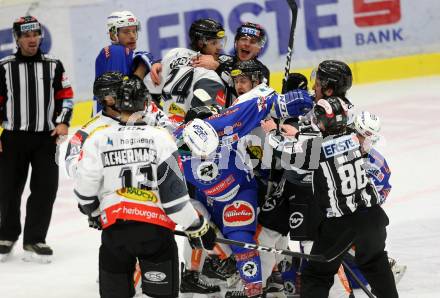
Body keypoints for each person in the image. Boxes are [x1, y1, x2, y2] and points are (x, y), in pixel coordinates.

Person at [73, 77, 216, 298]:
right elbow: (174, 201)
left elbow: (85, 188)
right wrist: (196, 226)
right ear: (145, 103)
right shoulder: (161, 138)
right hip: (155, 234)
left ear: (117, 103)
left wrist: (93, 212)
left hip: (115, 234)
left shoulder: (98, 138)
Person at [175, 79, 313, 297]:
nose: (206, 156)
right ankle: (205, 270)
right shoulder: (172, 147)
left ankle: (254, 288)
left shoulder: (222, 124)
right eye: (201, 153)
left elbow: (256, 103)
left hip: (238, 193)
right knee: (195, 222)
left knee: (243, 242)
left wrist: (283, 103)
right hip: (206, 197)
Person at [269, 96, 399, 298]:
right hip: (373, 218)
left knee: (316, 275)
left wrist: (271, 130)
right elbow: (326, 143)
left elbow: (284, 153)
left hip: (341, 224)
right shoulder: (357, 138)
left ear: (322, 121)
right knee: (376, 264)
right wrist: (299, 135)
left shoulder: (316, 149)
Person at [0, 16, 74, 262]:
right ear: (18, 38)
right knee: (8, 189)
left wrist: (63, 122)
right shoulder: (5, 67)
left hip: (46, 138)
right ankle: (7, 236)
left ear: (40, 36)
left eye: (35, 34)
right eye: (26, 35)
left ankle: (35, 239)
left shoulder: (54, 65)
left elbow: (66, 95)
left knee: (45, 189)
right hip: (12, 138)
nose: (32, 39)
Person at [146, 18, 227, 124]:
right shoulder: (211, 74)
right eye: (214, 43)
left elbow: (150, 91)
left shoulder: (175, 53)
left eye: (220, 42)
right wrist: (219, 67)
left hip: (158, 124)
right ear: (200, 43)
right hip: (183, 131)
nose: (219, 47)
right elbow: (207, 117)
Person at [191, 22, 270, 107]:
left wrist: (218, 68)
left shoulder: (262, 71)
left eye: (253, 41)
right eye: (243, 39)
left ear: (259, 49)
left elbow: (251, 95)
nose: (247, 44)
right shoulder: (220, 60)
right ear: (236, 43)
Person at [94, 10, 156, 114]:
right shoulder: (115, 51)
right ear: (113, 35)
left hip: (112, 121)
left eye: (134, 31)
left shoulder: (131, 55)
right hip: (115, 122)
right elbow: (115, 98)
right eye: (126, 32)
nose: (132, 36)